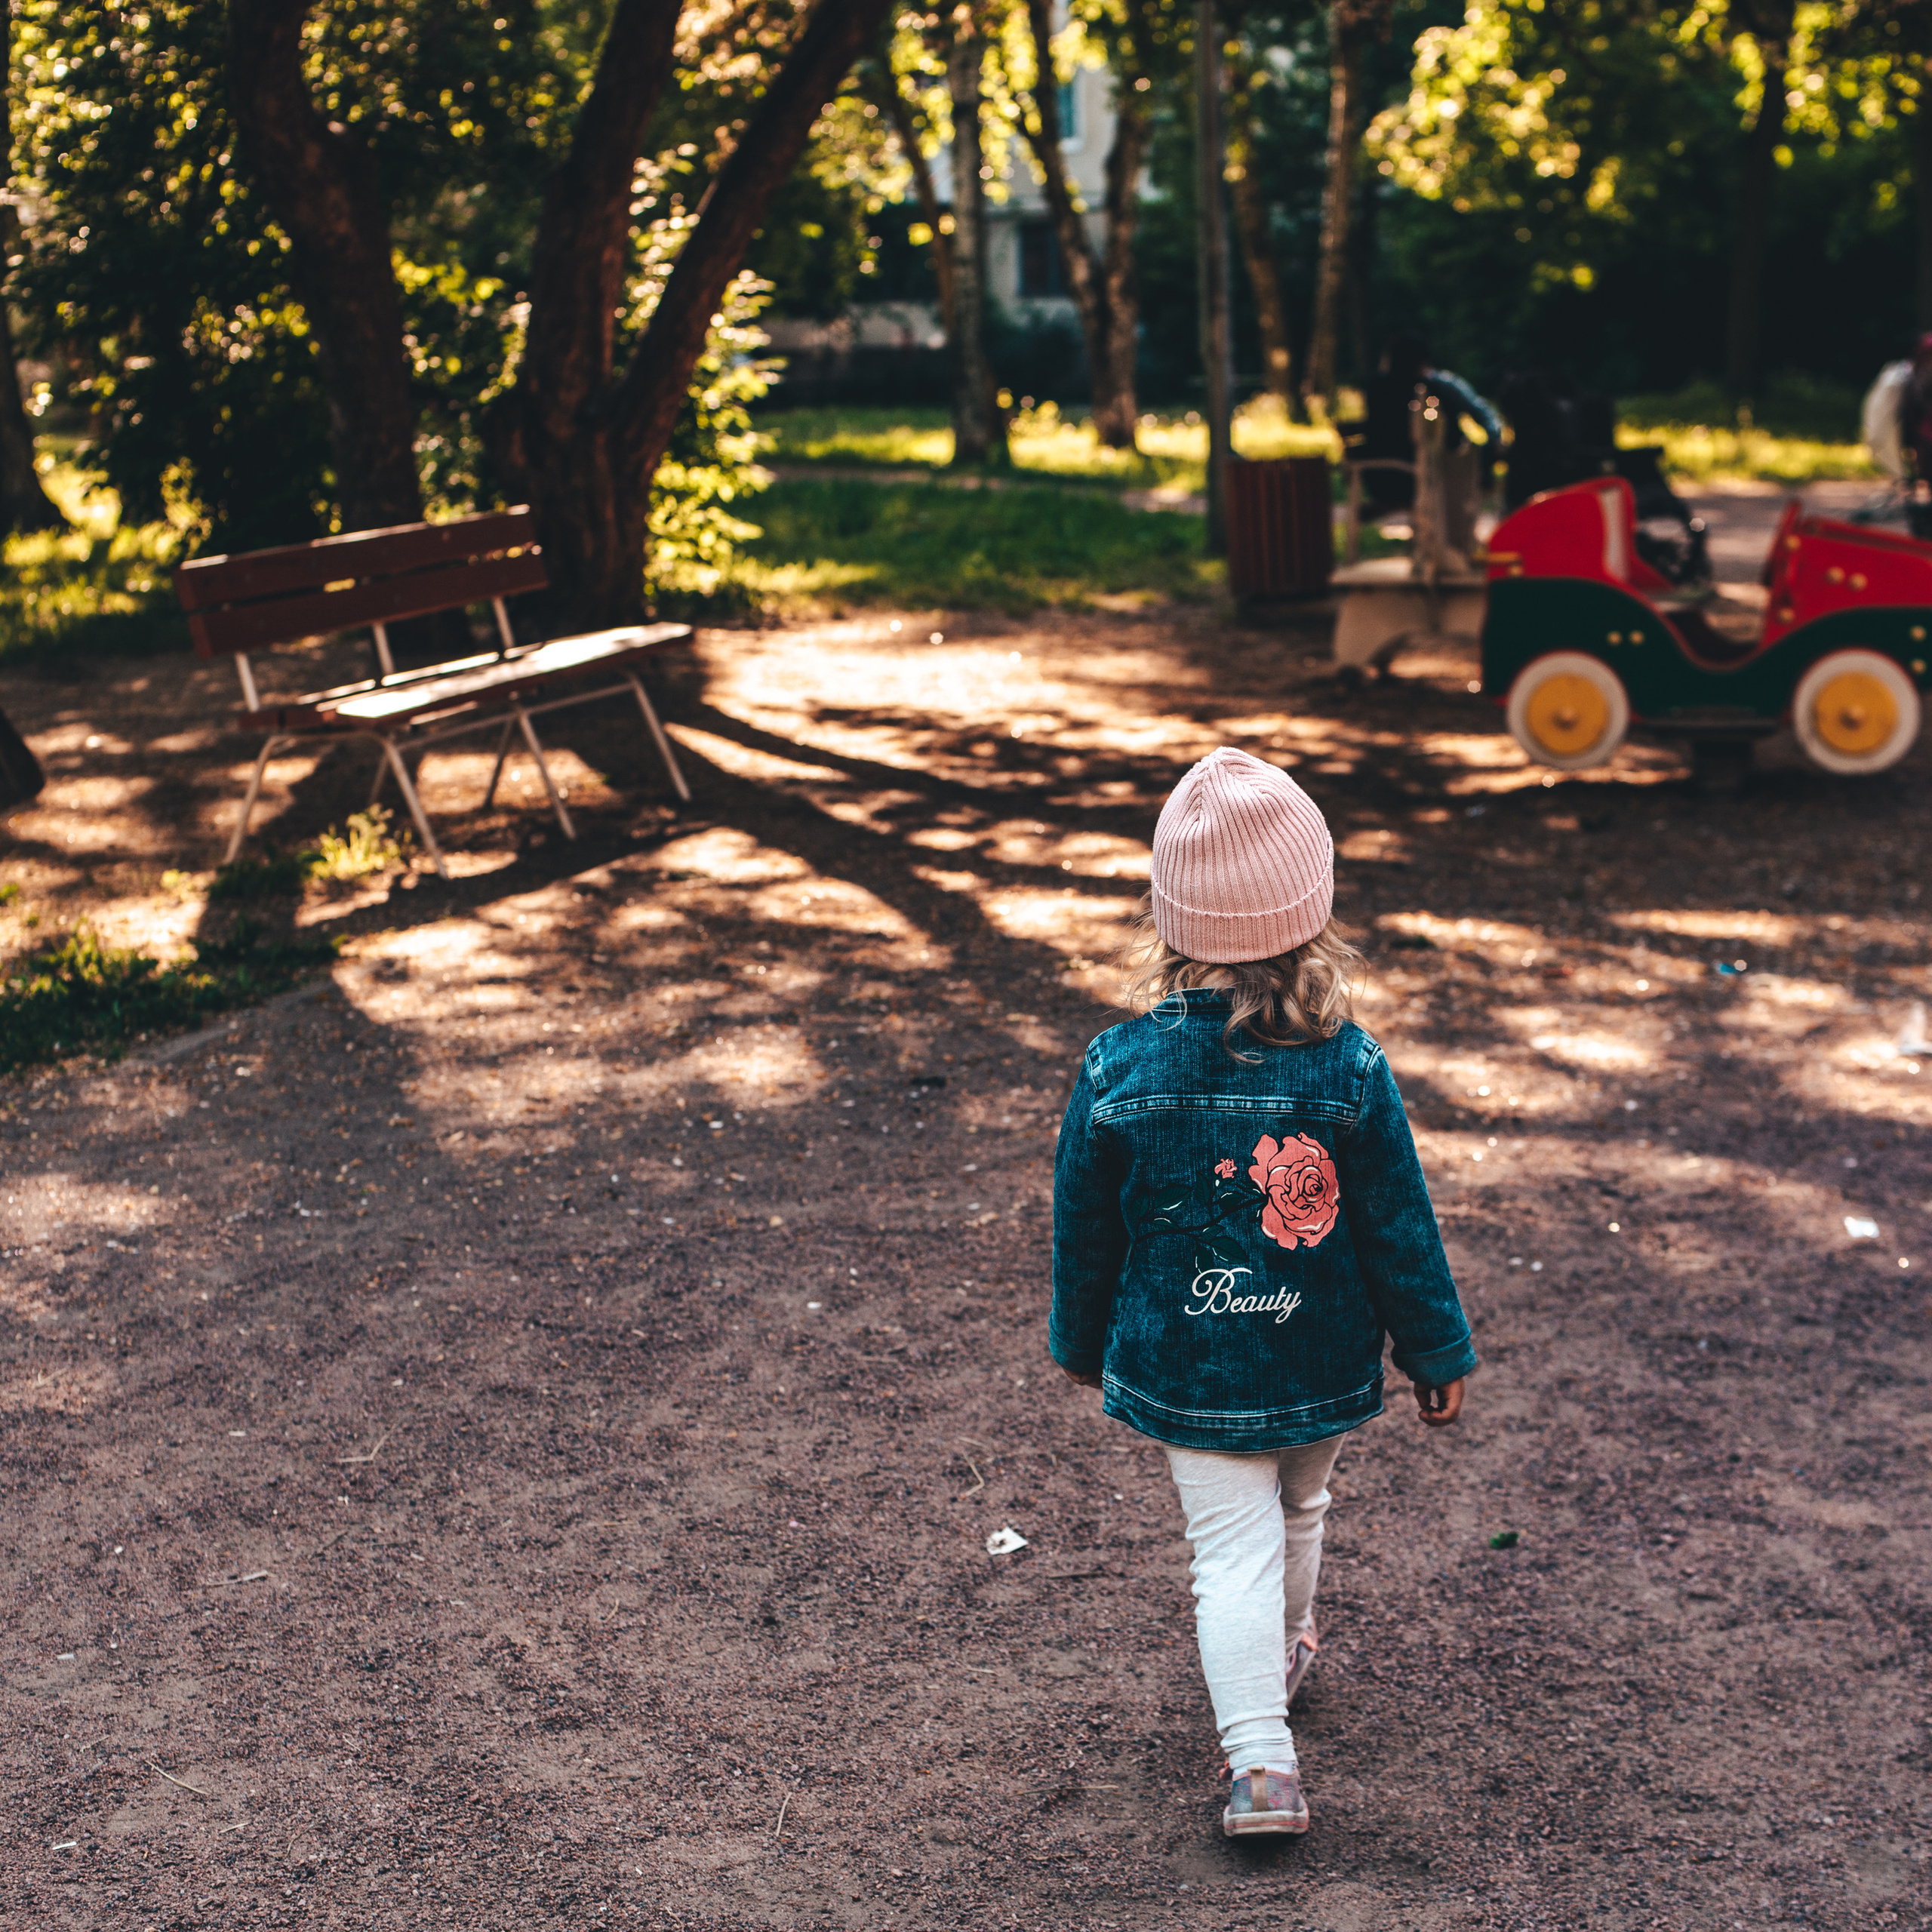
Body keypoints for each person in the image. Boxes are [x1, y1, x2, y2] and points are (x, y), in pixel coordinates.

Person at [1049, 746, 1476, 1838]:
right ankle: (1279, 1659)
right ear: (1311, 913)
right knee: (1301, 1506)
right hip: (1318, 1351)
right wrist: (1435, 1351)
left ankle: (1262, 1766)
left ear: (1169, 918)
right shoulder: (1350, 1067)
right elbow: (1398, 1228)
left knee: (1230, 1549)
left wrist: (1082, 1340)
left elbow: (1086, 1229)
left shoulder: (1118, 1067)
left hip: (1185, 1361)